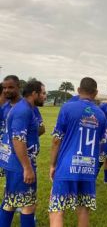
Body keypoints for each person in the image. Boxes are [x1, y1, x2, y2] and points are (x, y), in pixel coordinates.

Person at [48, 77, 107, 227]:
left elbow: (56, 140)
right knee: (83, 210)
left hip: (67, 166)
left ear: (79, 90)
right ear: (96, 93)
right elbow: (100, 142)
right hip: (88, 168)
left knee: (56, 208)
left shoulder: (67, 108)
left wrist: (52, 165)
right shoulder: (101, 115)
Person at [0, 80, 46, 227]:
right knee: (28, 205)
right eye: (43, 93)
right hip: (20, 165)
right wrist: (27, 168)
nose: (45, 96)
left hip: (14, 164)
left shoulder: (24, 108)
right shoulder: (23, 110)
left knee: (10, 201)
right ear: (34, 93)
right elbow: (17, 139)